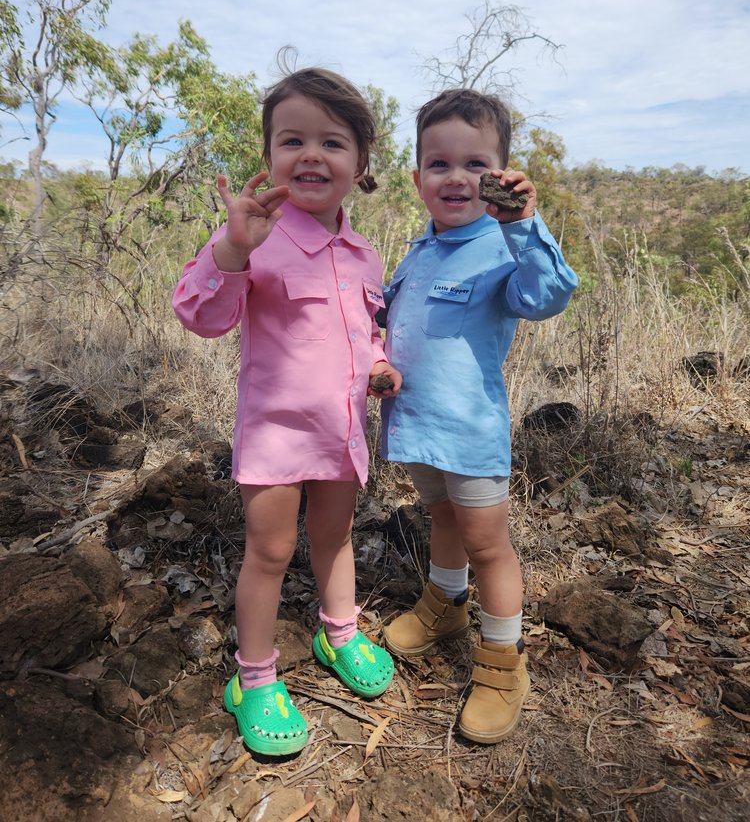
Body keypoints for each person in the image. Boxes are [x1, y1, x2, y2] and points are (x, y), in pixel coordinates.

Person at [173, 67, 401, 757]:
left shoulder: (364, 254)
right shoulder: (254, 237)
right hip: (275, 435)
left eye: (331, 142)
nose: (310, 154)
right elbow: (200, 314)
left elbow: (369, 332)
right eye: (291, 139)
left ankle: (339, 634)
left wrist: (380, 366)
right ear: (268, 156)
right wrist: (233, 249)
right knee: (270, 551)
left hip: (340, 434)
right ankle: (256, 678)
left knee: (335, 538)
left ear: (360, 164)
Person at [379, 88, 578, 744]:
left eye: (475, 165)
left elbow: (548, 295)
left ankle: (501, 664)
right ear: (416, 179)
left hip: (471, 430)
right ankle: (446, 602)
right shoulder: (417, 251)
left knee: (489, 544)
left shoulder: (502, 246)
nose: (455, 177)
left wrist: (524, 222)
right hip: (415, 424)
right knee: (440, 519)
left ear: (500, 175)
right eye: (438, 164)